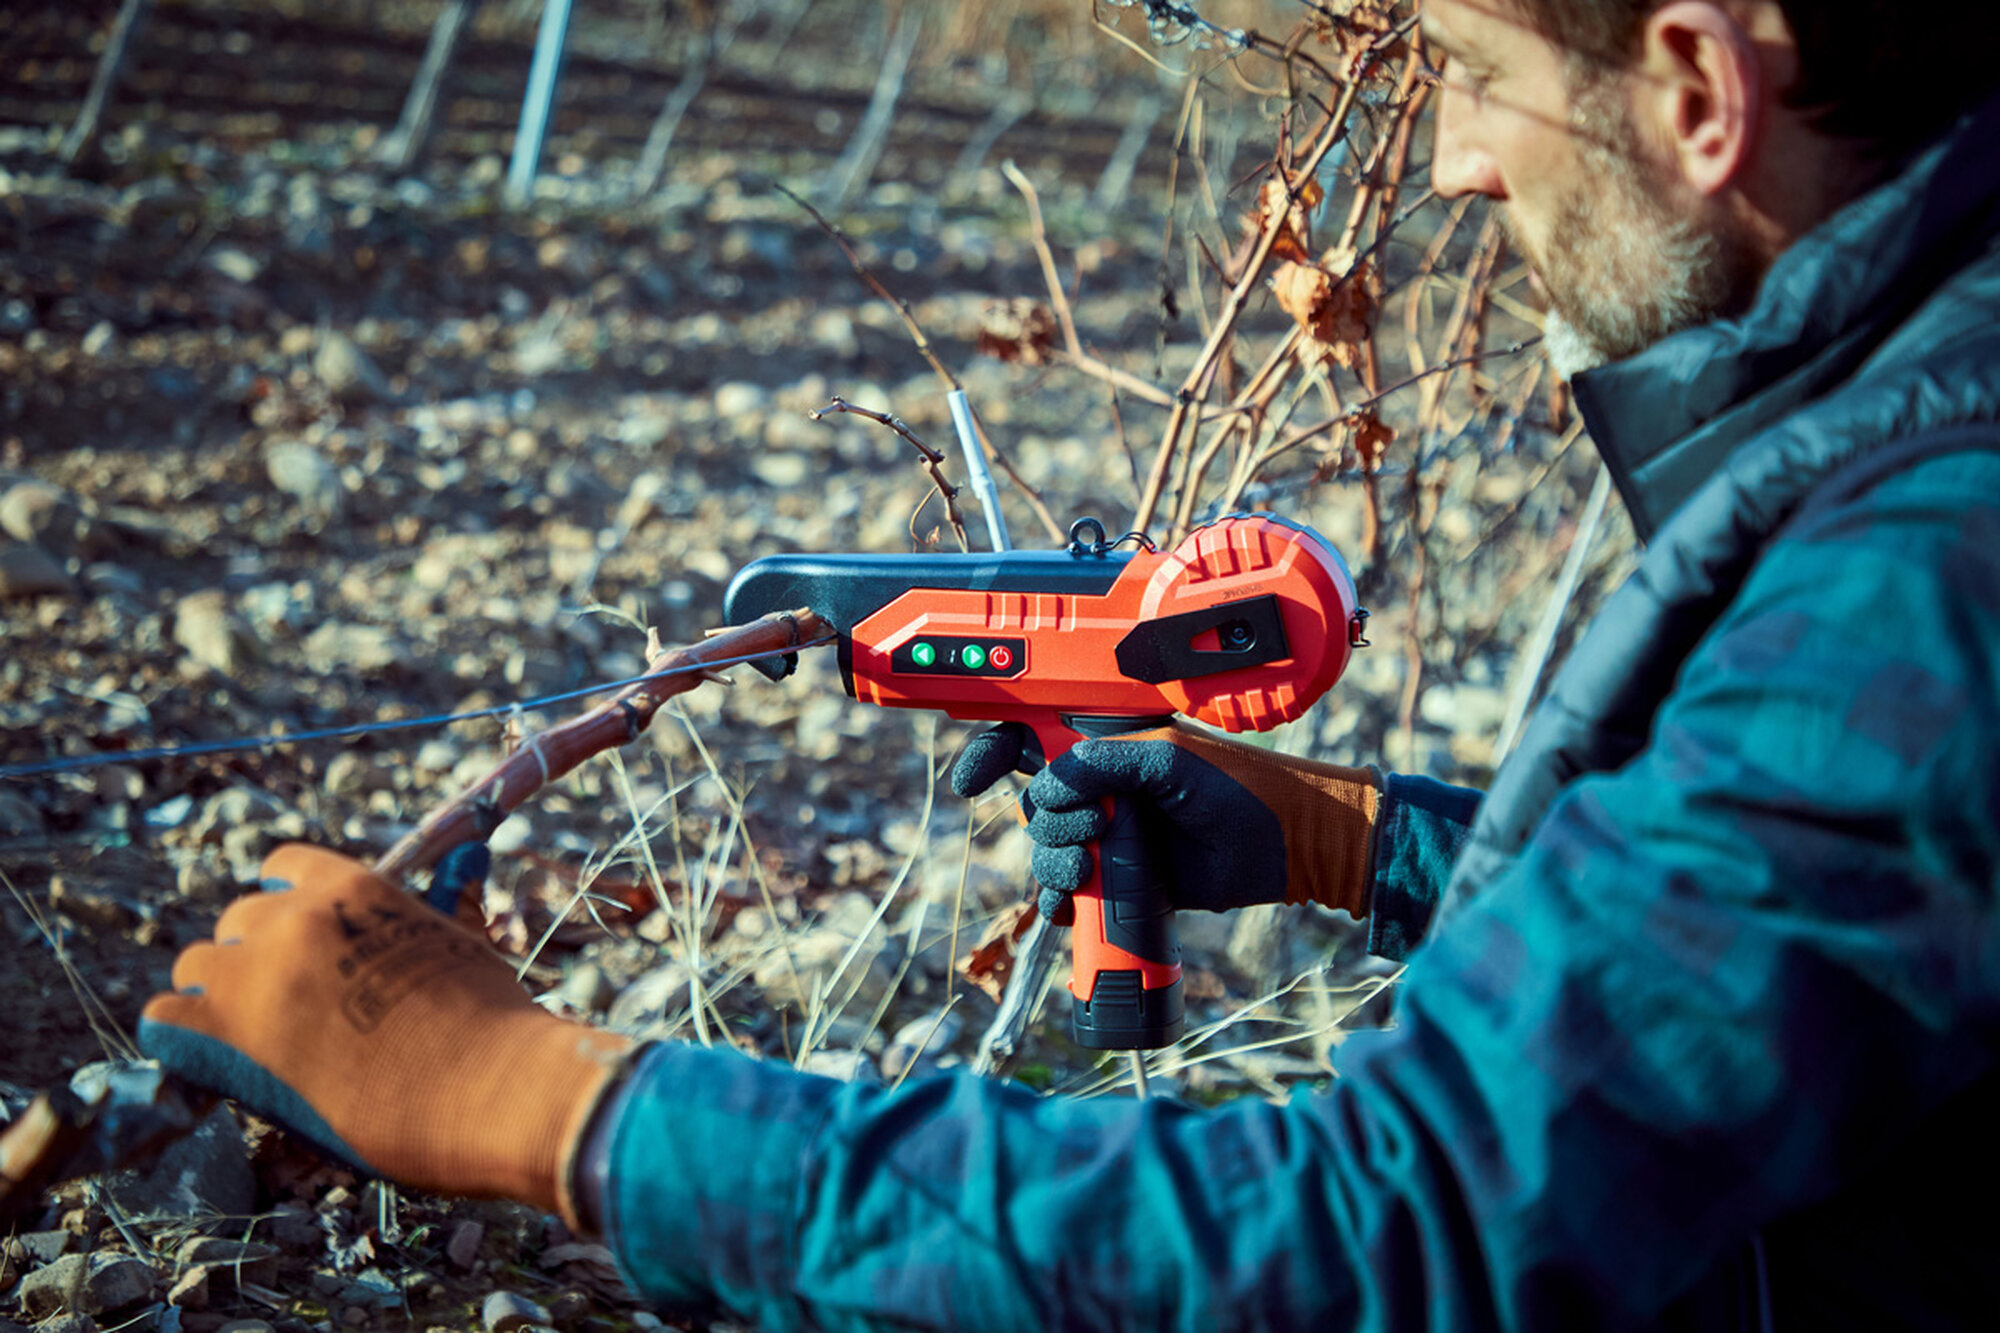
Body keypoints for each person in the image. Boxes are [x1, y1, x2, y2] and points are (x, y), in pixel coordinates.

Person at [140, 0, 2000, 1326]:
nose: (1448, 167)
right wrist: (1353, 839)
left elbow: (1385, 1243)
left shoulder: (1922, 574)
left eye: (1474, 73)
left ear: (1692, 86)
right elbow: (1768, 957)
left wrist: (549, 1100)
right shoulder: (1918, 428)